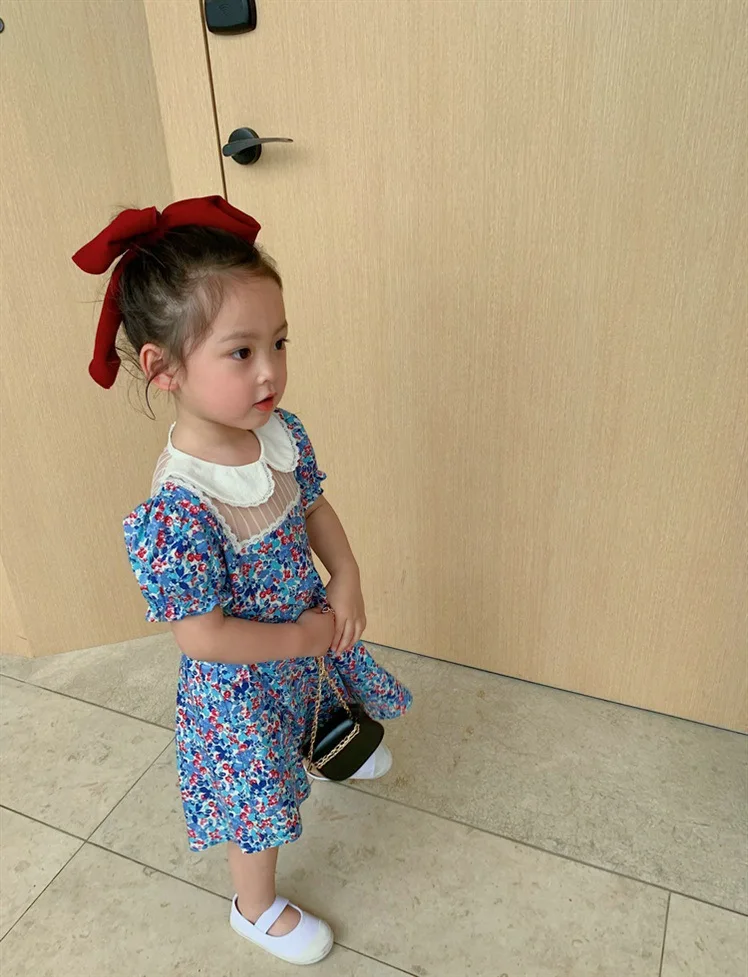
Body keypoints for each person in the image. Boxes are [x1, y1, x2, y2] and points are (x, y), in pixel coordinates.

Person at [72, 196, 412, 966]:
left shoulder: (279, 432)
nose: (271, 370)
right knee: (258, 797)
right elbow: (202, 635)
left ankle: (329, 744)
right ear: (163, 368)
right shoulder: (178, 506)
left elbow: (314, 505)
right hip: (241, 683)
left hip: (305, 634)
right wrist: (300, 635)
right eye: (241, 352)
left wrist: (346, 573)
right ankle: (254, 907)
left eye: (279, 342)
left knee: (321, 698)